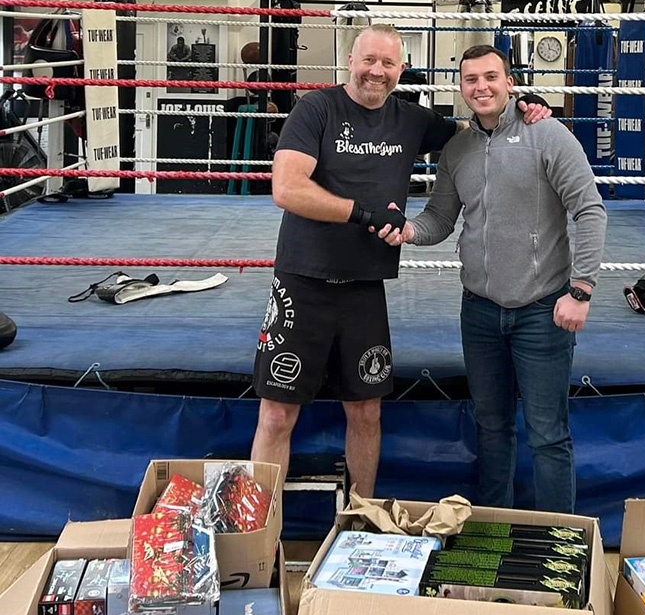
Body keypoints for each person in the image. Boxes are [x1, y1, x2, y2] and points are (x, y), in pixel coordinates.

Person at [250, 25, 551, 495]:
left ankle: (360, 519)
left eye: (388, 63)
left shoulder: (412, 120)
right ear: (350, 60)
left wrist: (523, 106)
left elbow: (478, 125)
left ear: (400, 70)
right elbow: (286, 188)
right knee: (276, 412)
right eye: (369, 60)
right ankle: (257, 533)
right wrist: (361, 214)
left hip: (365, 287)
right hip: (301, 282)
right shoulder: (317, 108)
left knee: (367, 410)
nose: (377, 71)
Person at [382, 44, 607, 513]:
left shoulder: (547, 134)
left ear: (509, 82)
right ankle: (494, 531)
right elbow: (441, 218)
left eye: (490, 77)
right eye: (471, 80)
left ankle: (559, 544)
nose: (481, 87)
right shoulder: (457, 148)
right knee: (491, 426)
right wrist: (407, 230)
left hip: (543, 310)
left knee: (548, 435)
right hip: (480, 310)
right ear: (460, 87)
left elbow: (589, 211)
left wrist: (581, 289)